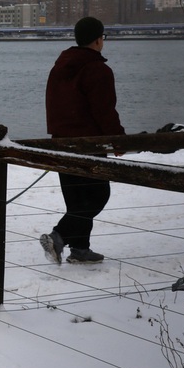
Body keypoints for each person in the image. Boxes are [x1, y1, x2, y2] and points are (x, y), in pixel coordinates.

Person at [40, 16, 126, 265]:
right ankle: (59, 236)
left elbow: (53, 104)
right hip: (88, 144)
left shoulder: (59, 67)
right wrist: (118, 140)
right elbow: (104, 110)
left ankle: (80, 248)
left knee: (77, 199)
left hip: (61, 141)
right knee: (98, 195)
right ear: (98, 40)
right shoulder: (98, 70)